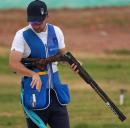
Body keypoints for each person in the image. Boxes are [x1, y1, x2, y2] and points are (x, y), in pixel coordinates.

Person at [9, 0, 78, 128]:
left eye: (38, 22)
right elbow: (13, 63)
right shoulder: (21, 35)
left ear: (46, 16)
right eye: (32, 22)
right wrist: (32, 74)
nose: (35, 25)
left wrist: (73, 63)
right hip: (35, 97)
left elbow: (63, 56)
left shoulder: (56, 31)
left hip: (57, 96)